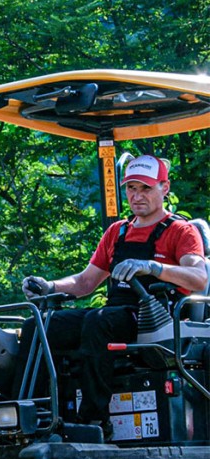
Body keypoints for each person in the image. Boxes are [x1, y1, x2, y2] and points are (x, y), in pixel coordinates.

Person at [15, 154, 207, 430]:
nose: (137, 196)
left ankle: (93, 419)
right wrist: (50, 286)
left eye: (145, 188)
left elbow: (199, 278)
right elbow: (85, 283)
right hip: (115, 314)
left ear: (164, 187)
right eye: (131, 188)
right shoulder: (118, 232)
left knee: (98, 321)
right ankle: (29, 416)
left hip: (153, 318)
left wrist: (153, 267)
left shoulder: (180, 231)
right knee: (39, 325)